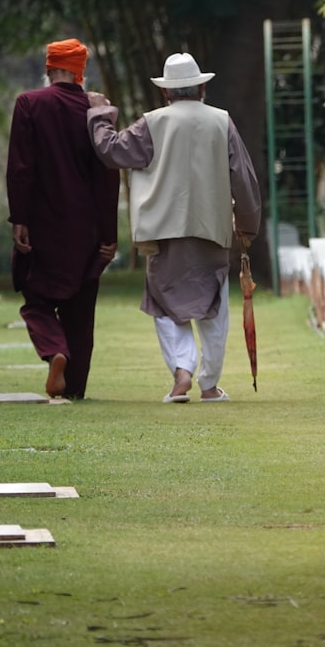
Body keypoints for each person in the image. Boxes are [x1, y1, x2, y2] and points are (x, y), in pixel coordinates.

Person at [86, 52, 262, 404]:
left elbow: (112, 150)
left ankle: (182, 370)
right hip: (210, 227)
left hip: (162, 229)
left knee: (164, 302)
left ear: (166, 92)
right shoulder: (221, 121)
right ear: (201, 87)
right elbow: (242, 178)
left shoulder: (152, 123)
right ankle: (209, 385)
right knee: (213, 305)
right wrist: (246, 225)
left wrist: (100, 114)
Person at [6, 38, 120, 400]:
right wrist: (109, 233)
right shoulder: (95, 111)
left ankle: (55, 349)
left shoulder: (29, 103)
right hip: (85, 227)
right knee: (81, 308)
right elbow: (108, 174)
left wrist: (19, 219)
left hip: (41, 223)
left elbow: (20, 168)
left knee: (36, 298)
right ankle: (74, 389)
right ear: (80, 72)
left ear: (49, 67)